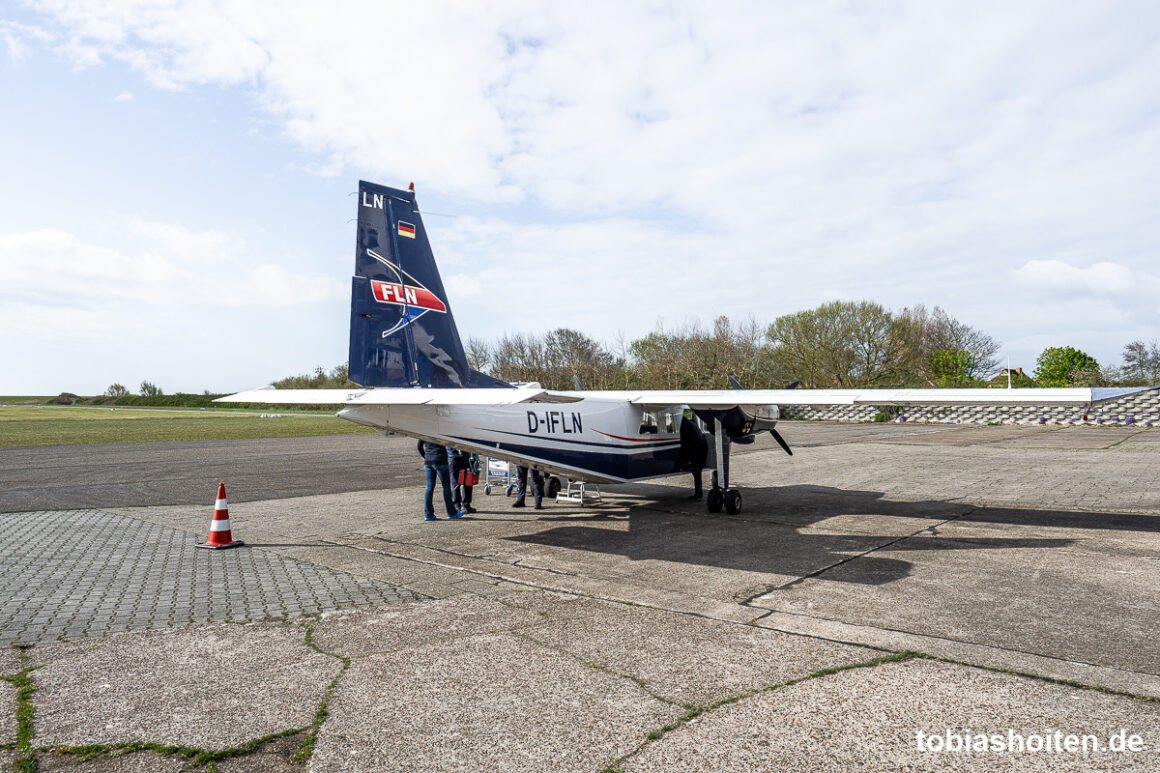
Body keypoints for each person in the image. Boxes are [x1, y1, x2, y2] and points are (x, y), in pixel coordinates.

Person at [418, 440, 463, 520]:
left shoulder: (424, 430)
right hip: (440, 459)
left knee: (429, 487)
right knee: (446, 487)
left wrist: (425, 457)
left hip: (428, 461)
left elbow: (419, 446)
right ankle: (451, 512)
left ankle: (428, 514)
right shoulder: (441, 428)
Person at [679, 410, 708, 500]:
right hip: (701, 446)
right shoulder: (688, 423)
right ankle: (698, 493)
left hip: (698, 448)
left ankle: (698, 494)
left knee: (696, 471)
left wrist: (683, 457)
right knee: (696, 471)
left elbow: (685, 443)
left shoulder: (683, 426)